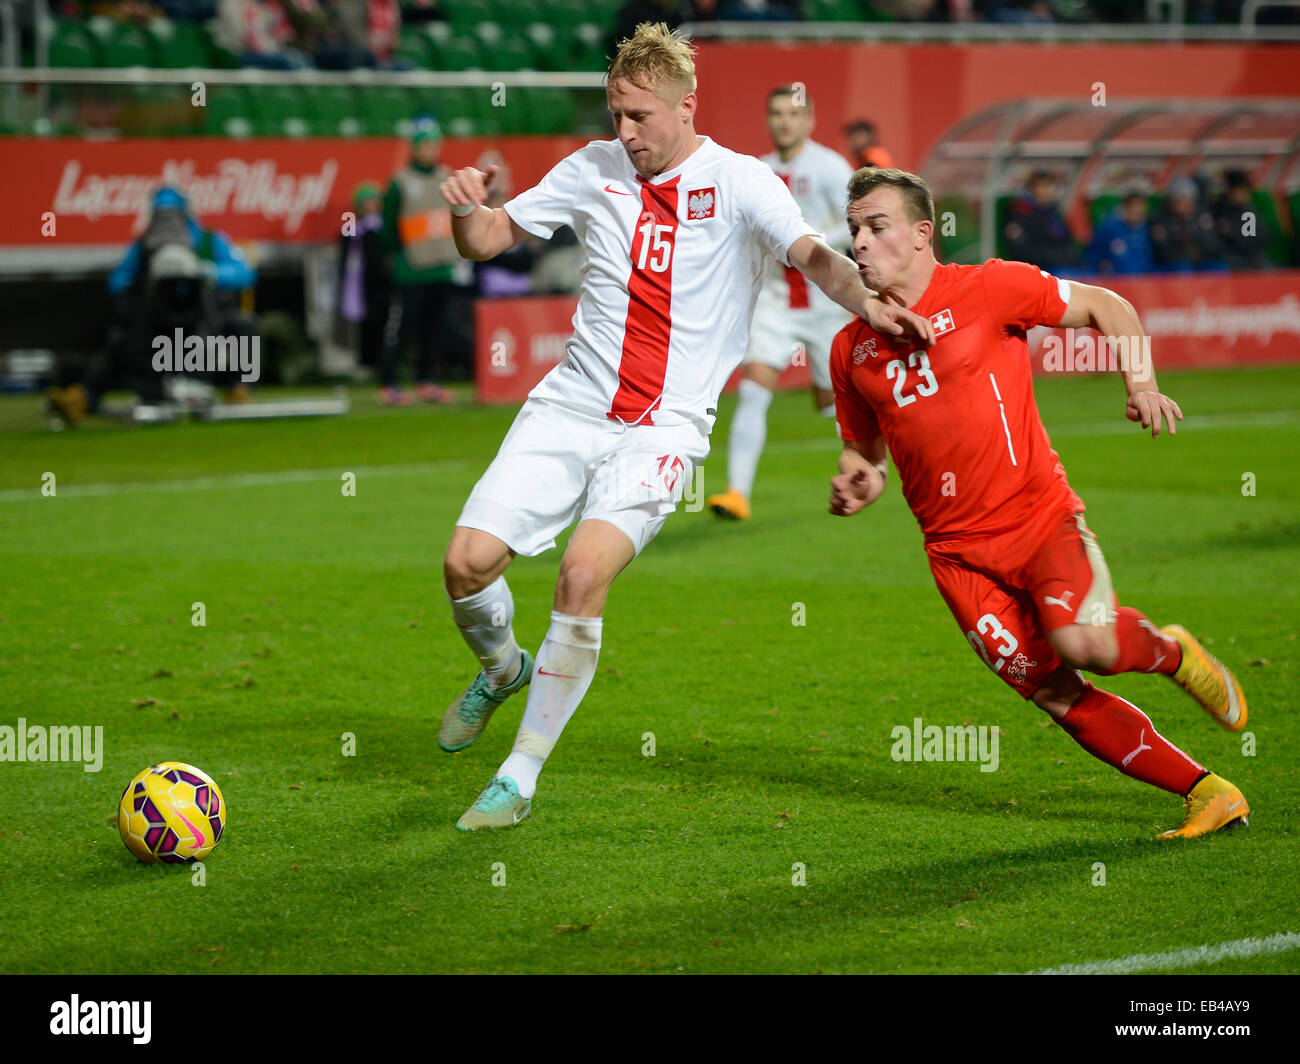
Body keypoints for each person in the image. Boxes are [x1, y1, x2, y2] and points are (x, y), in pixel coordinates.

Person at [435, 23, 932, 832]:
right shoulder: (590, 168)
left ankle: (519, 775)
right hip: (569, 406)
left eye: (639, 117)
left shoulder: (740, 182)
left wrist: (871, 304)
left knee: (580, 577)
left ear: (685, 106)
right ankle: (501, 668)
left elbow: (813, 256)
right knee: (464, 564)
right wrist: (467, 211)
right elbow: (490, 240)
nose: (624, 133)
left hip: (663, 430)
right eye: (615, 115)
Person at [828, 167, 1250, 841]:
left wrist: (1140, 382)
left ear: (920, 235)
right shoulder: (850, 348)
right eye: (854, 230)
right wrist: (857, 479)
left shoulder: (988, 287)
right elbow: (866, 453)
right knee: (1055, 692)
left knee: (1087, 643)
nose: (860, 243)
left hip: (1038, 519)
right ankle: (1209, 790)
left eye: (876, 228)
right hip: (958, 558)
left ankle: (1172, 654)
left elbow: (1107, 305)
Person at [707, 84, 854, 521]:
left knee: (832, 402)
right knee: (754, 388)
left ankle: (872, 468)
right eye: (775, 114)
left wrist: (811, 242)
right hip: (773, 298)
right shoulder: (757, 170)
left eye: (792, 114)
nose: (783, 122)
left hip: (824, 299)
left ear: (809, 120)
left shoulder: (830, 167)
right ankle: (737, 493)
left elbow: (856, 219)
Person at [379, 120, 463, 405]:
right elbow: (388, 228)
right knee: (403, 329)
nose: (430, 150)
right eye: (425, 144)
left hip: (441, 265)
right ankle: (388, 383)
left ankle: (426, 381)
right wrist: (397, 257)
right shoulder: (400, 181)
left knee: (434, 330)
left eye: (434, 144)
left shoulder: (447, 177)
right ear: (414, 148)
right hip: (411, 268)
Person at [337, 181, 390, 374]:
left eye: (373, 201)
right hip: (360, 286)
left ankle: (384, 363)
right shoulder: (353, 229)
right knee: (365, 324)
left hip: (383, 285)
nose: (370, 205)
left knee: (384, 323)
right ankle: (366, 363)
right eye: (366, 201)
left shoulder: (384, 228)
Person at [1002, 170, 1077, 272]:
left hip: (1061, 265)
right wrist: (1057, 257)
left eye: (1051, 186)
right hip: (1036, 269)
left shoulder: (1053, 213)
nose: (1048, 190)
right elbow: (1021, 252)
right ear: (1032, 189)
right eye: (1043, 186)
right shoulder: (1020, 214)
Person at [1150, 176, 1225, 273]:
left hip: (1199, 260)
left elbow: (1212, 245)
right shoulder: (1160, 220)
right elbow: (1164, 252)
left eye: (1189, 203)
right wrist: (1186, 255)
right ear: (1171, 202)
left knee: (1218, 267)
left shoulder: (1201, 218)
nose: (1186, 207)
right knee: (1183, 268)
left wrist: (1198, 251)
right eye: (1182, 202)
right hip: (1173, 265)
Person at [1085, 191, 1153, 276]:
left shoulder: (1147, 229)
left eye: (1139, 206)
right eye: (1132, 205)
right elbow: (1092, 254)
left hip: (1143, 282)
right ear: (1125, 207)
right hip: (1115, 281)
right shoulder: (1109, 229)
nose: (1135, 209)